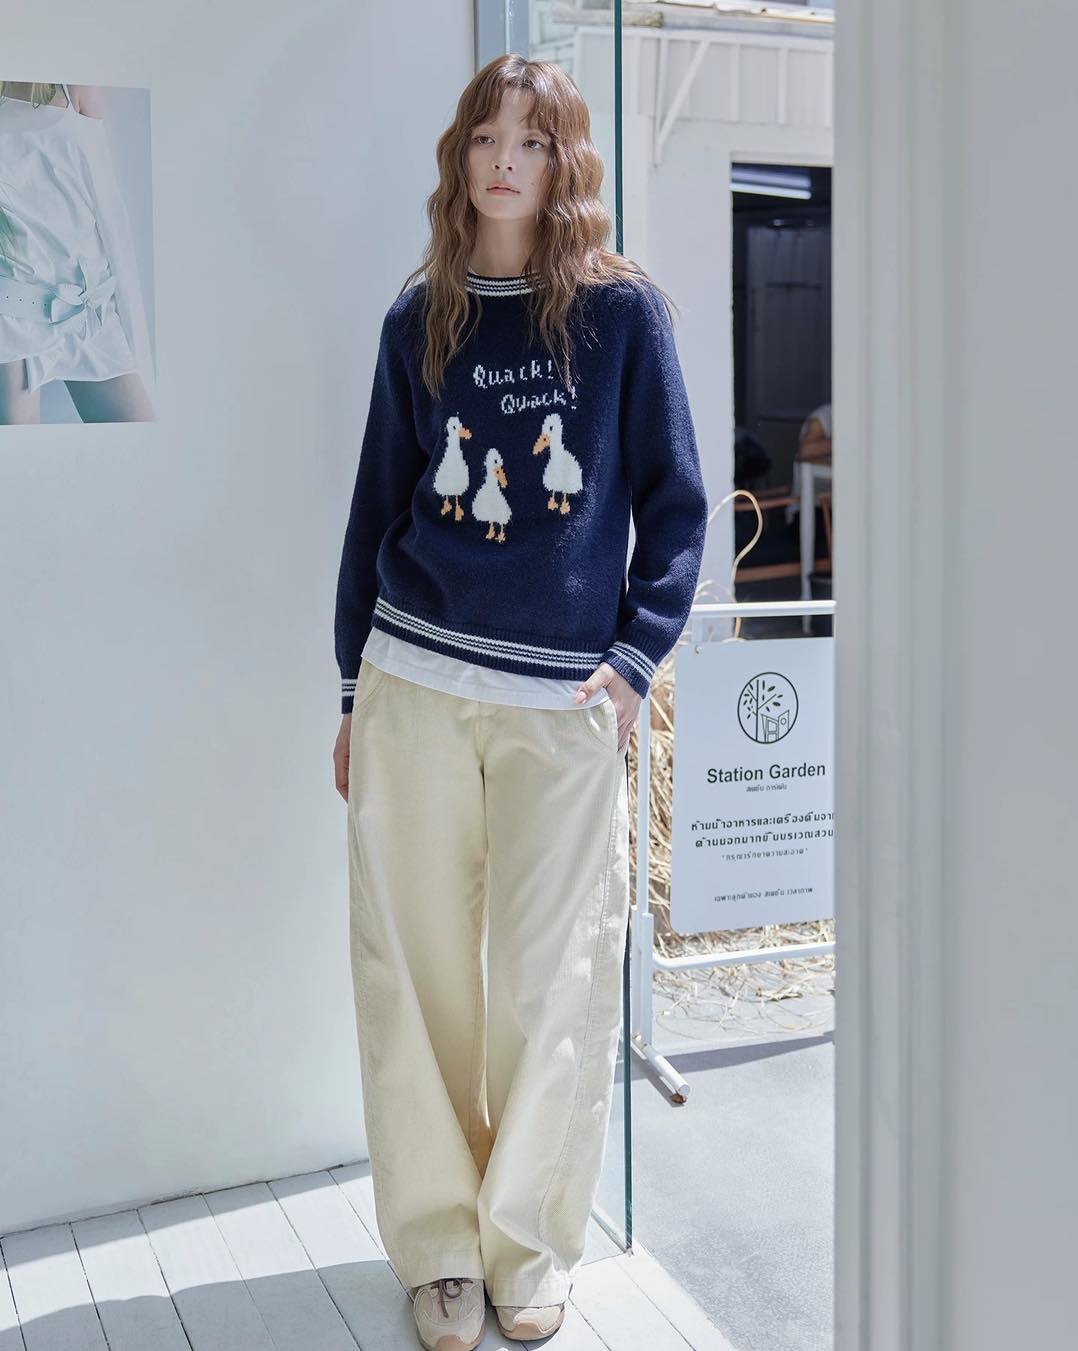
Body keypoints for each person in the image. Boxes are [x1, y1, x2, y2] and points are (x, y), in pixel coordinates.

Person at [331, 53, 708, 1351]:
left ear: (566, 162)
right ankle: (438, 1246)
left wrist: (633, 659)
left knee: (558, 979)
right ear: (460, 157)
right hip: (414, 685)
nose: (505, 161)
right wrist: (351, 688)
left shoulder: (621, 317)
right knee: (416, 977)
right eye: (486, 138)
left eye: (532, 141)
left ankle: (526, 1241)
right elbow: (374, 512)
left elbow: (676, 504)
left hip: (562, 705)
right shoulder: (418, 318)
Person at [0, 81, 155, 423]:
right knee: (18, 451)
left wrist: (128, 321)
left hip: (89, 310)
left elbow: (108, 207)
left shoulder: (75, 88)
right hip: (13, 312)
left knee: (140, 434)